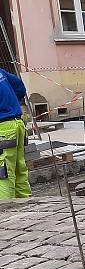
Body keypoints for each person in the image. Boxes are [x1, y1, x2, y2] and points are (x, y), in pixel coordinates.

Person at [0, 68, 31, 200]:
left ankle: (6, 210)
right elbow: (19, 86)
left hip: (3, 128)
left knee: (3, 171)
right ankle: (26, 204)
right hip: (17, 124)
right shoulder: (1, 72)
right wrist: (11, 104)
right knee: (19, 168)